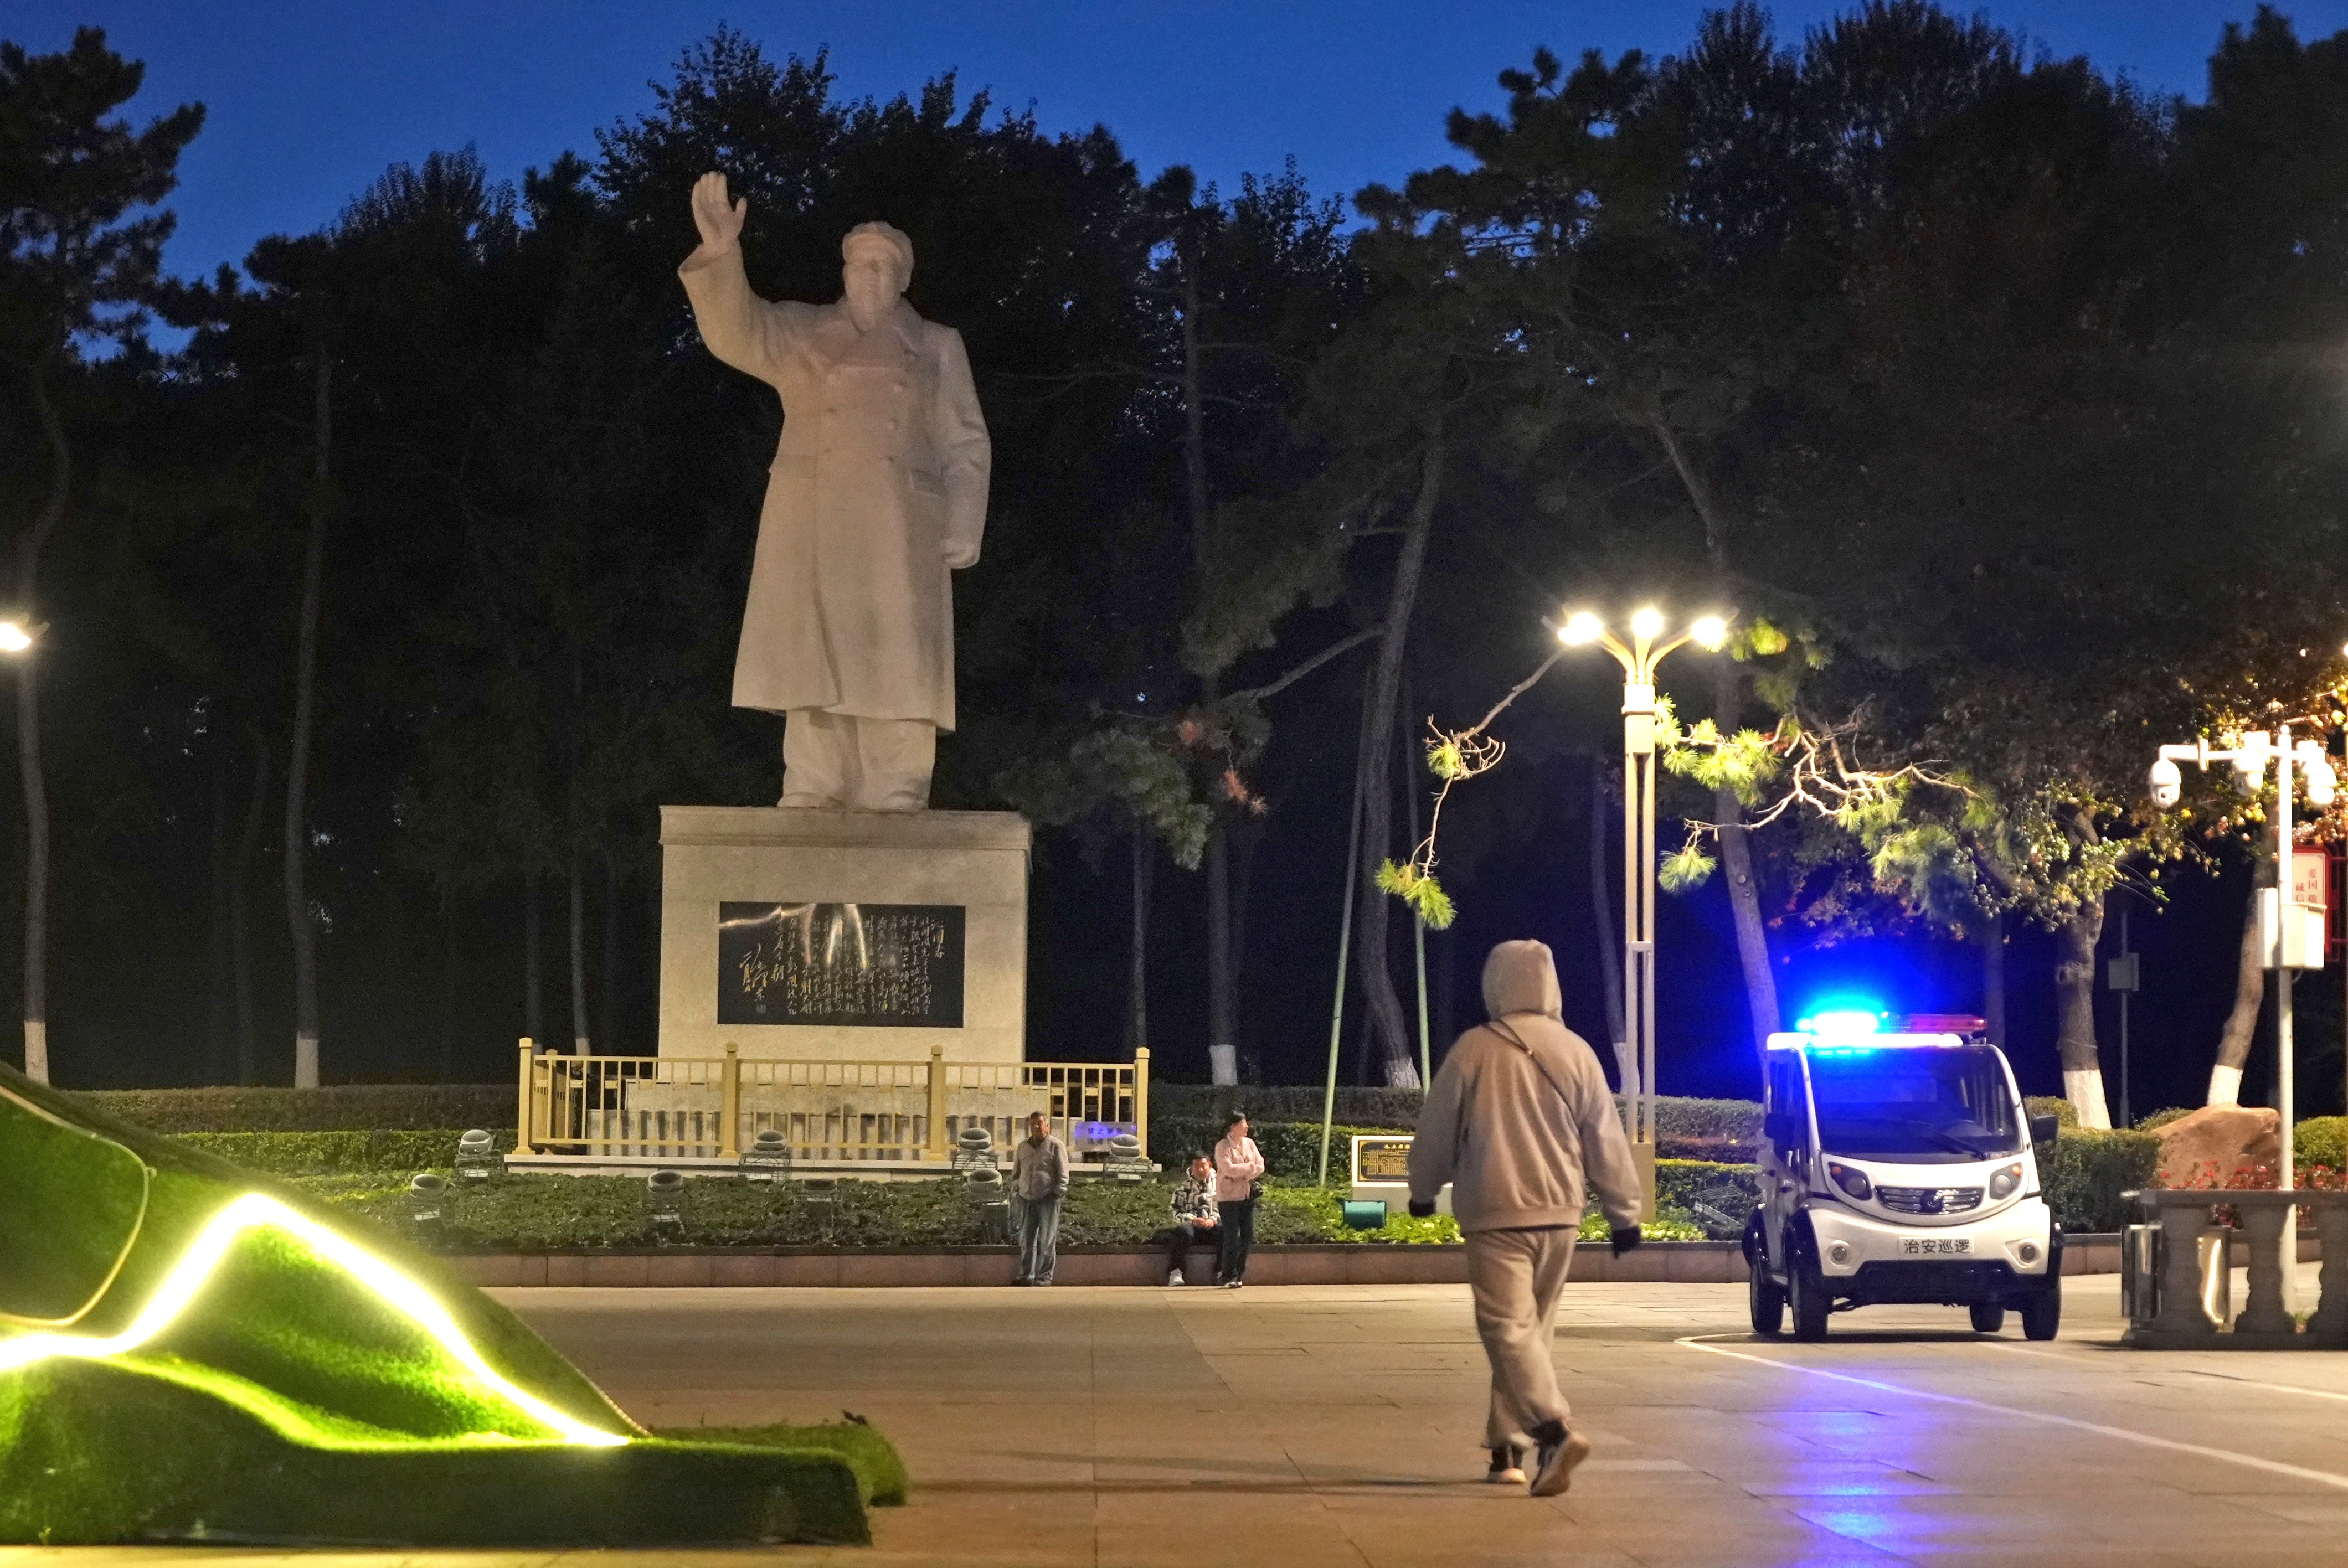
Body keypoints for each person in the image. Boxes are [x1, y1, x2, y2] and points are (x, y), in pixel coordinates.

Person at [677, 171, 992, 812]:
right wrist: (720, 254)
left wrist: (965, 520)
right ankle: (814, 781)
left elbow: (965, 442)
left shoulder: (934, 347)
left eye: (883, 266)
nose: (869, 276)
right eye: (858, 264)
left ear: (903, 279)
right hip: (811, 517)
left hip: (900, 521)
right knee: (811, 651)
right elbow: (737, 333)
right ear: (843, 271)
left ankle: (898, 781)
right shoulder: (801, 332)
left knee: (897, 649)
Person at [1407, 939, 1642, 1498]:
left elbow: (1437, 1130)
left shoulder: (1474, 1049)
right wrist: (1623, 1212)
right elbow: (1605, 1140)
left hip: (1496, 1211)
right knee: (1527, 1334)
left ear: (1496, 983)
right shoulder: (1577, 1051)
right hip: (1561, 1213)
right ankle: (1506, 1447)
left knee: (1506, 1328)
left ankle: (1553, 1432)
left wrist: (1422, 1189)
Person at [1010, 1110, 1070, 1285]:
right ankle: (1026, 1275)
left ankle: (1045, 1277)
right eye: (1033, 1124)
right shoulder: (1023, 1147)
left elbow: (1063, 1172)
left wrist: (1058, 1192)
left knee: (1047, 1240)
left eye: (1039, 1123)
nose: (1036, 1127)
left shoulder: (1056, 1146)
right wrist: (1016, 1191)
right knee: (1026, 1240)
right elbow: (1017, 1172)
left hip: (1048, 1199)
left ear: (1047, 1125)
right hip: (1026, 1198)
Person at [1212, 1110, 1266, 1288]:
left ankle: (1239, 1273)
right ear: (1234, 1126)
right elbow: (1228, 1169)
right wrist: (1249, 1168)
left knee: (1247, 1236)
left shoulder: (1250, 1144)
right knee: (1232, 1236)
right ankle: (1228, 1275)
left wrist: (1244, 1170)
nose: (1247, 1127)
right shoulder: (1222, 1147)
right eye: (1244, 1123)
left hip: (1246, 1195)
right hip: (1228, 1197)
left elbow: (1261, 1165)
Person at [1160, 1154, 1220, 1286]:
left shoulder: (1221, 1184)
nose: (1201, 1170)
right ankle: (1176, 1272)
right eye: (1197, 1167)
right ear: (1192, 1168)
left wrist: (1213, 1220)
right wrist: (1193, 1220)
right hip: (1192, 1227)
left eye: (1204, 1166)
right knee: (1181, 1231)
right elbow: (1175, 1212)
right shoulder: (1183, 1188)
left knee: (1229, 1232)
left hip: (1213, 1226)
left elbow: (1226, 1208)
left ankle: (1222, 1272)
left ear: (1210, 1166)